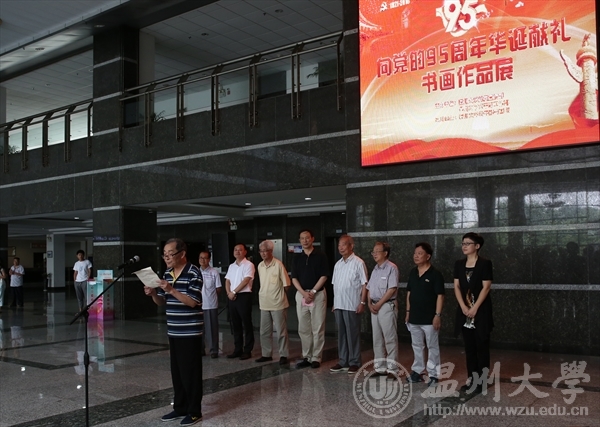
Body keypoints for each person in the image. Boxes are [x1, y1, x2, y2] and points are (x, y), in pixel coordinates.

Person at [144, 238, 204, 426]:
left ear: (182, 254)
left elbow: (193, 302)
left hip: (190, 331)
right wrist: (154, 294)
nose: (166, 258)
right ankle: (180, 407)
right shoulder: (167, 273)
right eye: (164, 255)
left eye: (170, 254)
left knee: (190, 373)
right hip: (174, 330)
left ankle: (194, 411)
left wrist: (171, 289)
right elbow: (161, 302)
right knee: (177, 372)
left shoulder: (194, 272)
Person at [453, 232, 493, 395]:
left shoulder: (484, 264)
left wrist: (475, 308)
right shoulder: (459, 264)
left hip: (480, 311)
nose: (464, 246)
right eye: (463, 243)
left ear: (477, 246)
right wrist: (463, 306)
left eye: (468, 243)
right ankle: (471, 378)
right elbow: (456, 286)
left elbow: (486, 287)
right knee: (469, 347)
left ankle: (482, 380)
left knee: (481, 346)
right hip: (465, 311)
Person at [405, 242, 445, 386]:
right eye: (415, 253)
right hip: (414, 317)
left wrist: (437, 315)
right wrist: (408, 312)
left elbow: (440, 296)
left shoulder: (435, 274)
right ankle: (418, 371)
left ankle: (433, 375)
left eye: (420, 253)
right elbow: (409, 293)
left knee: (432, 347)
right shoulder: (413, 272)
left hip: (430, 318)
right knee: (417, 345)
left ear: (428, 256)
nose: (416, 256)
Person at [291, 229, 329, 369]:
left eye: (307, 238)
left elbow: (324, 275)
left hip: (317, 295)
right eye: (302, 238)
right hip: (302, 295)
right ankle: (307, 356)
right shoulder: (297, 257)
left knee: (317, 327)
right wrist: (303, 293)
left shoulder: (321, 255)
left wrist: (312, 291)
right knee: (303, 328)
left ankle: (316, 357)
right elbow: (294, 278)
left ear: (312, 239)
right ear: (299, 241)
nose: (305, 240)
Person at [330, 235, 368, 374]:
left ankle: (355, 362)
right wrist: (334, 303)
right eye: (339, 245)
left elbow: (364, 284)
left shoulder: (359, 263)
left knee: (353, 334)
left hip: (352, 304)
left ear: (351, 246)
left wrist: (362, 302)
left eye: (344, 244)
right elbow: (335, 285)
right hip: (339, 304)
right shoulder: (338, 264)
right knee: (341, 335)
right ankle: (343, 361)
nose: (341, 247)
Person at [366, 242, 399, 380]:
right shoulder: (375, 269)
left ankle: (393, 369)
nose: (374, 254)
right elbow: (369, 288)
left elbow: (392, 289)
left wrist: (379, 304)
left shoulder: (392, 268)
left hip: (386, 305)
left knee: (389, 338)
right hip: (374, 306)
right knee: (377, 338)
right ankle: (380, 368)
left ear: (385, 253)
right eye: (373, 252)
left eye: (377, 251)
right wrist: (369, 303)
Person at [256, 240, 291, 365]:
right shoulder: (260, 266)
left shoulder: (278, 265)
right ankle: (266, 354)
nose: (263, 253)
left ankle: (284, 355)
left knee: (281, 331)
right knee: (264, 331)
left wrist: (278, 295)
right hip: (264, 303)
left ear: (271, 251)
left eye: (265, 251)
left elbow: (287, 285)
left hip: (278, 303)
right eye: (261, 251)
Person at [225, 244, 255, 360]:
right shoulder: (231, 266)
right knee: (235, 324)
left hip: (243, 296)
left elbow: (246, 280)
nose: (237, 252)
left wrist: (234, 292)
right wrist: (229, 293)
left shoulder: (249, 265)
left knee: (246, 324)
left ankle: (247, 350)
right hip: (232, 297)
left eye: (240, 250)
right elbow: (227, 281)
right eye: (235, 250)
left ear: (245, 252)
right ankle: (237, 349)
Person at [199, 251, 221, 359]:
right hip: (198, 305)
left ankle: (214, 350)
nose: (202, 260)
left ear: (209, 260)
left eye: (205, 258)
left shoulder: (214, 272)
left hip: (210, 304)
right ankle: (200, 349)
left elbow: (218, 289)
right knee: (199, 329)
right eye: (201, 258)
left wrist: (211, 296)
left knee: (212, 328)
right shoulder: (195, 272)